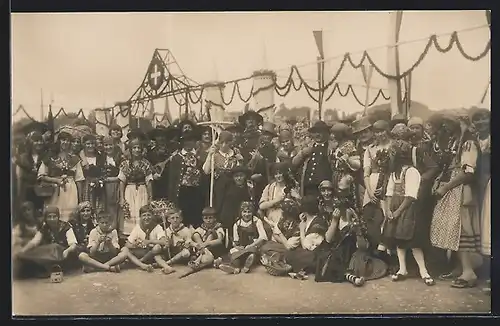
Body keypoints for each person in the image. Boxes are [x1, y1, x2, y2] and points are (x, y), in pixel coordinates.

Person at [429, 114, 482, 289]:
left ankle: (469, 272)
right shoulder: (456, 142)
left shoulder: (468, 144)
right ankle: (461, 267)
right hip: (455, 189)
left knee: (462, 229)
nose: (447, 128)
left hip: (462, 190)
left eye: (450, 124)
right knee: (454, 228)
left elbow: (467, 172)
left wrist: (446, 187)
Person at [382, 140, 435, 286]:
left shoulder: (411, 172)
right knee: (398, 239)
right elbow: (389, 193)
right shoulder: (394, 174)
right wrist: (388, 210)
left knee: (412, 241)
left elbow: (411, 196)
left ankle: (424, 271)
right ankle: (402, 269)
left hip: (408, 209)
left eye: (392, 155)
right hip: (395, 208)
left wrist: (398, 212)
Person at [16, 206, 79, 277]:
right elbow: (34, 242)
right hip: (51, 255)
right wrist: (23, 251)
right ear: (45, 218)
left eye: (54, 216)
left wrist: (67, 251)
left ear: (58, 217)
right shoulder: (45, 228)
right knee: (36, 250)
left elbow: (73, 245)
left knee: (54, 247)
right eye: (49, 217)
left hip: (65, 255)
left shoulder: (66, 226)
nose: (52, 219)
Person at [37, 131, 85, 222]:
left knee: (70, 215)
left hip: (71, 190)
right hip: (54, 190)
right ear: (58, 141)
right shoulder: (49, 157)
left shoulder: (75, 159)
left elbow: (79, 179)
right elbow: (41, 176)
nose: (65, 143)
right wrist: (56, 180)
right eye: (63, 140)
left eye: (68, 140)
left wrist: (80, 198)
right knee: (53, 213)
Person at [361, 120, 393, 257]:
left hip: (389, 183)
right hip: (372, 184)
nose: (380, 134)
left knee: (387, 215)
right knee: (371, 216)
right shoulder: (370, 149)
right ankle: (374, 250)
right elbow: (366, 173)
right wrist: (369, 190)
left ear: (388, 130)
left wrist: (385, 186)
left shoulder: (393, 146)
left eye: (382, 131)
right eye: (377, 132)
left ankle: (388, 251)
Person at [470, 108, 490, 294]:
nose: (481, 123)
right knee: (484, 227)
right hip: (480, 186)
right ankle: (486, 266)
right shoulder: (474, 140)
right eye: (477, 120)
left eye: (484, 119)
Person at [118, 129, 154, 235]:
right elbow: (121, 181)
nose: (137, 150)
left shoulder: (146, 163)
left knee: (141, 209)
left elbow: (149, 181)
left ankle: (142, 233)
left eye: (139, 148)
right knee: (130, 210)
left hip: (142, 190)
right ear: (130, 150)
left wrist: (150, 197)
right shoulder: (125, 163)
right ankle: (129, 234)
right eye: (134, 148)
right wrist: (121, 198)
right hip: (129, 190)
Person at [285, 195, 328, 280]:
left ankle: (297, 268)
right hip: (309, 253)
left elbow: (306, 246)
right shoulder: (307, 220)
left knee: (291, 255)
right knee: (289, 252)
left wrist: (302, 229)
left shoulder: (318, 223)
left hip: (316, 255)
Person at [218, 201, 267, 274]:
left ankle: (243, 265)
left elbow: (263, 237)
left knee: (252, 253)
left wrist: (251, 245)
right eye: (244, 212)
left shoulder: (257, 221)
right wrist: (237, 246)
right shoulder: (237, 224)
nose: (247, 214)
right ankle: (236, 268)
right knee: (233, 252)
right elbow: (236, 241)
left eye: (249, 212)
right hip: (243, 247)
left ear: (252, 212)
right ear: (241, 212)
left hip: (254, 245)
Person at [167, 131, 204, 228]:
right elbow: (172, 179)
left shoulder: (198, 156)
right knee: (183, 214)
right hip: (183, 190)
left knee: (195, 214)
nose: (189, 143)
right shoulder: (176, 158)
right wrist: (172, 197)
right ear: (182, 142)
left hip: (195, 191)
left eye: (191, 140)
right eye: (186, 141)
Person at [213, 165, 252, 248]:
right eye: (236, 176)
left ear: (245, 176)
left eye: (241, 176)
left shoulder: (249, 188)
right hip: (229, 216)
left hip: (244, 215)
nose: (238, 179)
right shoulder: (228, 188)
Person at [124, 205, 172, 273]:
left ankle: (142, 262)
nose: (146, 218)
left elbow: (164, 242)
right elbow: (127, 245)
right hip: (142, 252)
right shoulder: (138, 227)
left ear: (153, 216)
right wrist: (135, 244)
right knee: (124, 250)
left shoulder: (157, 227)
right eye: (144, 215)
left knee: (157, 248)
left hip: (153, 254)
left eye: (149, 215)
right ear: (140, 217)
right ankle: (143, 265)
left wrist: (149, 241)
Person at [292, 121, 334, 197]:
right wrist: (302, 153)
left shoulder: (330, 148)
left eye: (320, 132)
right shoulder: (308, 147)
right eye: (315, 132)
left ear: (326, 133)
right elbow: (294, 163)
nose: (317, 135)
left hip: (325, 191)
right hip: (308, 189)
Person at [259, 197, 300, 275]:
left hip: (293, 251)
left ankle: (279, 263)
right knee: (265, 246)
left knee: (267, 248)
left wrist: (280, 235)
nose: (281, 213)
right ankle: (276, 260)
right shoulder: (283, 220)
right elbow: (275, 235)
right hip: (282, 245)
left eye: (283, 211)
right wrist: (281, 238)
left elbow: (289, 246)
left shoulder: (296, 226)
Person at [259, 162, 300, 234]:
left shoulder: (291, 187)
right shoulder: (270, 187)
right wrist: (276, 200)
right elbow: (261, 206)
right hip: (271, 221)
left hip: (287, 222)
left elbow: (300, 206)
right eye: (276, 174)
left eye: (280, 173)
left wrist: (297, 197)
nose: (278, 176)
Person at [12, 201, 42, 278]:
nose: (26, 213)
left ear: (33, 210)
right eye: (24, 211)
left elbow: (39, 238)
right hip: (26, 249)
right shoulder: (21, 225)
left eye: (29, 210)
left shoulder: (40, 223)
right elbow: (14, 237)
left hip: (38, 248)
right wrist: (23, 240)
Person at [80, 134, 106, 211]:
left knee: (99, 209)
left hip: (99, 186)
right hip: (85, 187)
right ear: (84, 144)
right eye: (88, 144)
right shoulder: (80, 157)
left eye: (92, 144)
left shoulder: (100, 157)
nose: (90, 146)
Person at [102, 135, 123, 231]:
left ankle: (116, 229)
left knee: (116, 207)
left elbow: (122, 174)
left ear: (114, 145)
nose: (108, 147)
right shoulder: (101, 158)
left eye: (110, 145)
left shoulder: (119, 157)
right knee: (107, 208)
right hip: (104, 187)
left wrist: (112, 179)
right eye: (106, 145)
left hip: (117, 185)